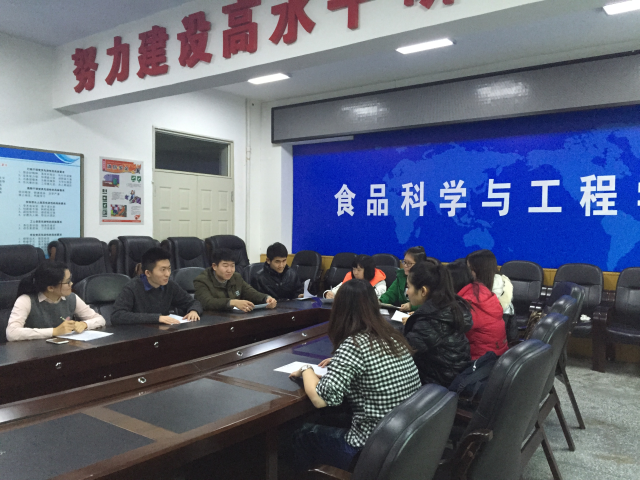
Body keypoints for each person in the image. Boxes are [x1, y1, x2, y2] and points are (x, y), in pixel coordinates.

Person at [289, 279, 421, 472]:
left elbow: (320, 399)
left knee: (302, 434)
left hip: (369, 449)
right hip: (400, 440)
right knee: (328, 419)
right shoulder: (392, 336)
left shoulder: (354, 345)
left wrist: (306, 369)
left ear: (340, 310)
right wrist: (340, 364)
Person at [403, 261, 473, 386]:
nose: (407, 292)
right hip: (454, 374)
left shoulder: (430, 320)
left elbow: (403, 351)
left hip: (438, 383)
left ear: (423, 291)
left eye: (409, 287)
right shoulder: (448, 307)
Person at [6, 262, 105, 341]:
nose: (71, 283)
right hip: (33, 352)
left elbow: (100, 319)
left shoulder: (72, 297)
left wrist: (84, 324)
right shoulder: (26, 300)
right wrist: (54, 331)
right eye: (67, 282)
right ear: (50, 288)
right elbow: (12, 333)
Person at [111, 247, 202, 325]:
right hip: (138, 334)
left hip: (162, 332)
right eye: (163, 270)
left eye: (169, 269)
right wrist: (157, 318)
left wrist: (194, 310)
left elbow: (193, 302)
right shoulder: (132, 287)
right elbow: (117, 315)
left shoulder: (170, 285)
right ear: (148, 273)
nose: (167, 274)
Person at [447, 259, 508, 360]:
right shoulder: (481, 291)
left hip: (481, 360)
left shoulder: (468, 303)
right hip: (499, 354)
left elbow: (449, 330)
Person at [194, 248, 277, 312]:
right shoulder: (202, 280)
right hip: (212, 320)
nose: (229, 270)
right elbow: (207, 302)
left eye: (232, 266)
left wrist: (266, 298)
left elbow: (250, 292)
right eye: (225, 266)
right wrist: (233, 302)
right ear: (214, 266)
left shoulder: (236, 277)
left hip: (233, 318)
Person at [466, 250, 515, 316]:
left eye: (470, 269)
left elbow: (491, 310)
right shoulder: (481, 280)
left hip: (503, 316)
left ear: (480, 269)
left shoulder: (498, 284)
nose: (468, 272)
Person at [379, 246, 427, 312]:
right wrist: (380, 301)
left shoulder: (427, 279)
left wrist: (411, 306)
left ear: (420, 265)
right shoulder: (401, 276)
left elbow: (430, 303)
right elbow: (390, 294)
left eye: (409, 263)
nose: (405, 266)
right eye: (404, 262)